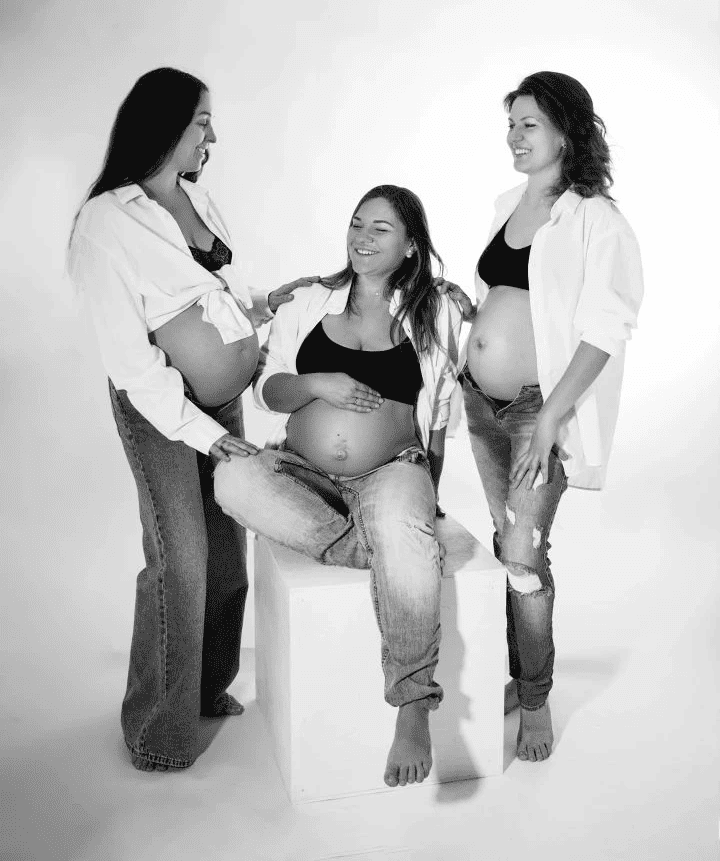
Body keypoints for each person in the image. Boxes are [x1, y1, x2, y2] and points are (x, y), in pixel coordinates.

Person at [68, 67, 312, 771]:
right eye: (203, 120)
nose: (213, 135)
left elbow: (213, 294)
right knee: (180, 563)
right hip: (162, 413)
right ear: (166, 124)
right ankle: (157, 731)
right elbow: (132, 363)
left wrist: (266, 303)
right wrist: (208, 437)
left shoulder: (195, 197)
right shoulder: (107, 221)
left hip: (221, 404)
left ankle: (206, 688)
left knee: (227, 559)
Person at [213, 185, 463, 787]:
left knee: (402, 521)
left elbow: (439, 413)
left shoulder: (434, 311)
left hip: (392, 467)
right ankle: (387, 548)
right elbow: (268, 389)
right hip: (305, 472)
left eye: (381, 228)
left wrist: (427, 493)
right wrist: (316, 383)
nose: (363, 237)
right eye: (357, 223)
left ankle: (412, 705)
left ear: (410, 246)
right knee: (232, 478)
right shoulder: (309, 301)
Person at [449, 71, 643, 763]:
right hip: (480, 401)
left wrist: (552, 420)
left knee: (524, 556)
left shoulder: (596, 219)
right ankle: (518, 673)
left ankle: (535, 699)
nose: (514, 136)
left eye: (528, 124)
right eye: (511, 124)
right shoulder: (510, 203)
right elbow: (513, 298)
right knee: (508, 544)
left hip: (538, 409)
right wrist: (468, 317)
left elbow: (604, 330)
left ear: (566, 131)